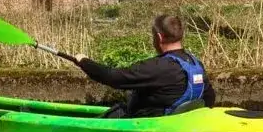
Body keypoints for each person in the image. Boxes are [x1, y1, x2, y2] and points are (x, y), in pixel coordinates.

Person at [71, 14, 216, 118]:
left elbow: (114, 78)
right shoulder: (196, 64)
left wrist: (84, 62)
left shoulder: (157, 67)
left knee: (117, 112)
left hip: (144, 125)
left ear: (159, 37)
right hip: (177, 121)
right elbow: (209, 98)